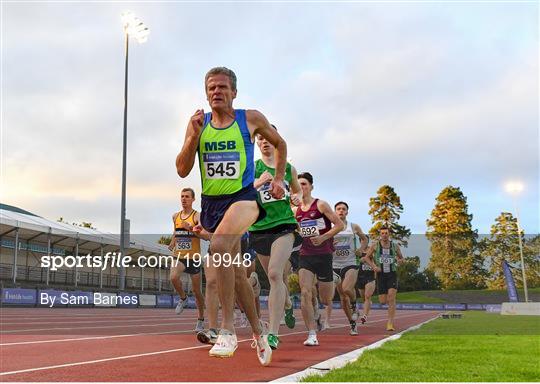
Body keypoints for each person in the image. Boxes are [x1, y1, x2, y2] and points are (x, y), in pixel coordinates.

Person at [175, 67, 287, 365]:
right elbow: (182, 169)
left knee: (219, 248)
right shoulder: (198, 123)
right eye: (211, 87)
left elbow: (280, 144)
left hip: (244, 199)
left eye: (222, 87)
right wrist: (193, 138)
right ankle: (258, 332)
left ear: (234, 92)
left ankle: (225, 329)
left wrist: (277, 178)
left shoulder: (249, 119)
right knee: (236, 274)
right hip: (213, 205)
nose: (216, 92)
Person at [249, 127, 303, 350]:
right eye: (260, 138)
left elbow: (299, 191)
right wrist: (259, 182)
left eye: (269, 138)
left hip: (284, 226)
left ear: (277, 140)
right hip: (259, 227)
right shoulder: (252, 168)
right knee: (275, 279)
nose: (264, 142)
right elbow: (240, 193)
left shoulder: (288, 168)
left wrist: (297, 198)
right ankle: (288, 302)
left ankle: (272, 332)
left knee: (274, 273)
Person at [294, 172, 344, 346]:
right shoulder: (295, 210)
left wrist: (323, 238)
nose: (301, 187)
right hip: (306, 255)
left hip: (324, 255)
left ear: (311, 187)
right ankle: (311, 333)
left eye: (305, 184)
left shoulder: (321, 205)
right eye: (298, 184)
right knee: (305, 292)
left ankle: (331, 279)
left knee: (326, 300)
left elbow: (340, 225)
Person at [168, 187, 208, 332]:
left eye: (187, 196)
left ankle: (201, 319)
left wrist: (191, 229)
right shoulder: (175, 216)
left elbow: (203, 235)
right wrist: (173, 241)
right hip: (179, 255)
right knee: (173, 277)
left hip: (194, 257)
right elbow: (176, 231)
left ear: (193, 199)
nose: (184, 199)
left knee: (197, 291)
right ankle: (183, 298)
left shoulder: (197, 216)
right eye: (182, 196)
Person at [329, 201, 368, 335]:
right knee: (342, 298)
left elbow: (365, 239)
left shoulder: (354, 226)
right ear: (335, 212)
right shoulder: (330, 227)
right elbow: (323, 242)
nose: (341, 211)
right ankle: (352, 323)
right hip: (335, 265)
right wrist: (329, 244)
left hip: (351, 262)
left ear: (347, 212)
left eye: (343, 209)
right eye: (338, 209)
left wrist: (361, 249)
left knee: (347, 289)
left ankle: (354, 305)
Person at [362, 226, 404, 331]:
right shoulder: (375, 246)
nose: (384, 235)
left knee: (392, 298)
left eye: (386, 233)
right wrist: (374, 267)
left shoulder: (395, 246)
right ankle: (376, 305)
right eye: (382, 233)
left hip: (392, 274)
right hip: (381, 275)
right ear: (380, 235)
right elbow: (366, 258)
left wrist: (400, 261)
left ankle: (390, 323)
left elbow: (401, 258)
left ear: (389, 234)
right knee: (383, 301)